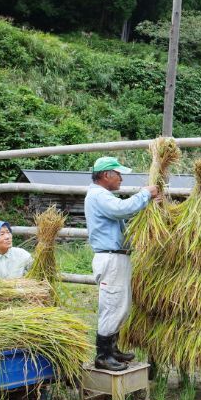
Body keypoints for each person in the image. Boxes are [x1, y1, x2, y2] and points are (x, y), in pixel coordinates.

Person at [85, 156, 160, 371]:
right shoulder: (99, 195)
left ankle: (112, 349)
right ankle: (103, 355)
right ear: (106, 175)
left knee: (120, 305)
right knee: (112, 305)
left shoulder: (102, 195)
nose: (121, 179)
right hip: (110, 258)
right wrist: (145, 193)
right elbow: (122, 209)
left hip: (117, 256)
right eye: (118, 174)